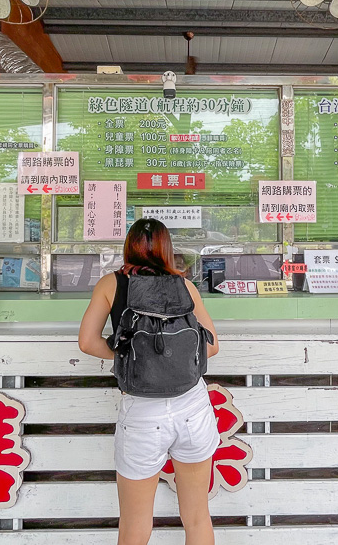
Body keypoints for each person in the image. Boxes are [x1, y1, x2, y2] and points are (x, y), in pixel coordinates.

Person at [79, 218, 220, 545]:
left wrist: (130, 358)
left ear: (128, 247)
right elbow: (211, 345)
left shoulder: (110, 284)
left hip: (142, 415)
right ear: (167, 249)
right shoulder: (185, 286)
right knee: (197, 517)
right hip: (193, 408)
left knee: (135, 525)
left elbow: (87, 342)